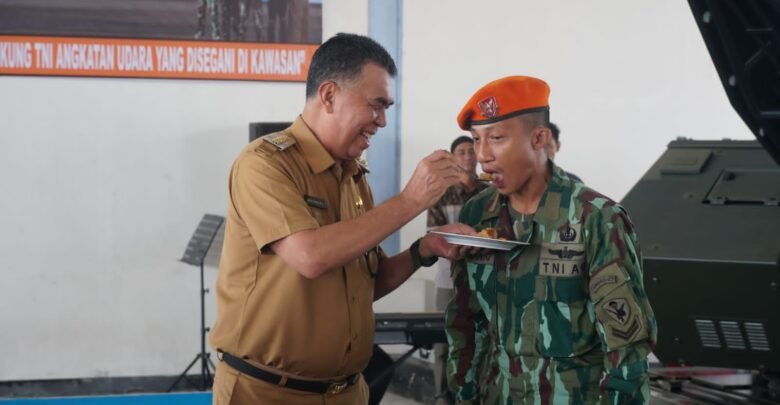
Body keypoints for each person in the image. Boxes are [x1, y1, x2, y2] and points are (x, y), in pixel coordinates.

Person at [209, 33, 474, 405]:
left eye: (387, 107)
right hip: (266, 393)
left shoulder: (353, 176)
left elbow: (365, 284)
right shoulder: (264, 164)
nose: (382, 120)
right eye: (376, 105)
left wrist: (423, 250)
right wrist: (411, 199)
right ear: (329, 94)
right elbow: (311, 257)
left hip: (347, 391)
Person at [446, 76, 657, 404]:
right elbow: (466, 322)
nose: (482, 155)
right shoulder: (478, 214)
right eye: (476, 140)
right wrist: (463, 395)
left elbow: (626, 348)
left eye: (497, 138)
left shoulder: (595, 218)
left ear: (539, 138)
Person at [426, 135, 487, 405]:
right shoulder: (441, 192)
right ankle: (442, 395)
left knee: (481, 335)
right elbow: (433, 234)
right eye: (461, 152)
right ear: (453, 158)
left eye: (471, 151)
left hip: (482, 276)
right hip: (448, 277)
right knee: (443, 337)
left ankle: (478, 392)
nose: (467, 157)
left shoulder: (489, 192)